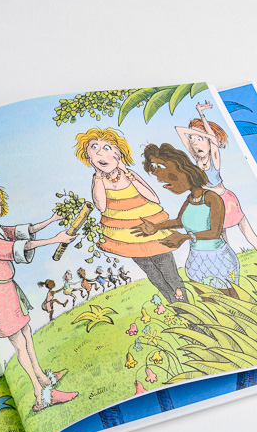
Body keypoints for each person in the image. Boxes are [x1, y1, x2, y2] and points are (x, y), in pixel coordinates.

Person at [0, 178, 78, 412]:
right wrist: (56, 239)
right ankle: (40, 395)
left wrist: (52, 220)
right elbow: (21, 246)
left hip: (8, 288)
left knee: (27, 335)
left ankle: (43, 377)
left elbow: (24, 232)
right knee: (19, 344)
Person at [76, 127, 186, 302]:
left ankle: (187, 306)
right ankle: (177, 307)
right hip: (128, 237)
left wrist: (128, 173)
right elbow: (101, 207)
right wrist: (98, 177)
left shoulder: (128, 174)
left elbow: (154, 198)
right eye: (94, 149)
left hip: (151, 231)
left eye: (106, 148)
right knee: (155, 277)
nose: (100, 154)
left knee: (170, 273)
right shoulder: (98, 181)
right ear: (89, 158)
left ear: (118, 153)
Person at [134, 144, 240, 296]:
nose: (164, 184)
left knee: (230, 301)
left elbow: (214, 233)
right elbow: (179, 221)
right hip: (196, 260)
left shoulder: (212, 198)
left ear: (184, 170)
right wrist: (156, 227)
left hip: (218, 258)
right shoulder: (190, 199)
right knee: (208, 303)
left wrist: (185, 237)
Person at [176, 102, 257, 264]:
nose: (194, 142)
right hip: (212, 205)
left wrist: (202, 116)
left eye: (200, 139)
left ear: (208, 141)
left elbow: (213, 139)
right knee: (223, 241)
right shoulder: (196, 158)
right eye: (192, 139)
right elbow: (179, 130)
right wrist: (196, 133)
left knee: (249, 234)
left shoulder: (214, 157)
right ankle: (233, 269)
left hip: (227, 200)